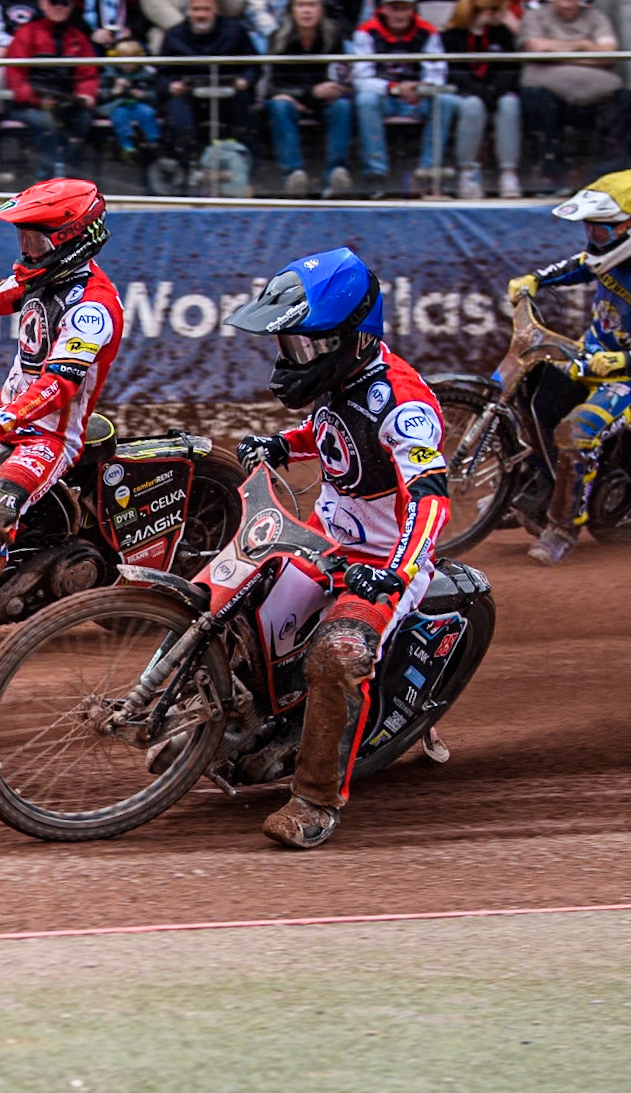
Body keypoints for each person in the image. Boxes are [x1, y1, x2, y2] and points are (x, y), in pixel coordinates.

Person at [225, 247, 451, 850]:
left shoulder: (403, 405)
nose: (290, 360)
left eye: (303, 346)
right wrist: (282, 444)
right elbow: (330, 432)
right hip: (324, 540)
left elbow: (431, 498)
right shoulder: (341, 378)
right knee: (236, 605)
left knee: (337, 653)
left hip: (384, 562)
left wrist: (399, 571)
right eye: (287, 345)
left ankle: (315, 802)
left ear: (351, 338)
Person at [0, 179, 123, 650]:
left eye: (37, 238)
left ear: (72, 238)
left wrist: (0, 422)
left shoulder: (92, 308)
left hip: (47, 438)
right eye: (24, 236)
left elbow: (59, 383)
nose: (27, 248)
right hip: (7, 419)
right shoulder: (41, 279)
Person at [505, 168, 631, 566]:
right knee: (529, 385)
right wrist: (535, 281)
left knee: (576, 432)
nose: (592, 237)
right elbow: (581, 264)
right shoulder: (609, 253)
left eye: (601, 229)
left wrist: (623, 360)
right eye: (588, 228)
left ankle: (562, 530)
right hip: (588, 357)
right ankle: (536, 485)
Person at [517, 0, 631, 187]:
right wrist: (584, 45)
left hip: (600, 96)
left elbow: (609, 53)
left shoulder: (596, 17)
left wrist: (556, 55)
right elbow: (536, 48)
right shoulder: (535, 17)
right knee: (535, 102)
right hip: (548, 94)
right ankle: (552, 179)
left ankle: (607, 176)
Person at [350, 0, 454, 199]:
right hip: (384, 97)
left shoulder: (427, 31)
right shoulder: (366, 31)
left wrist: (419, 88)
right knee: (365, 101)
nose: (399, 15)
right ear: (383, 9)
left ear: (412, 10)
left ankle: (428, 173)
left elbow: (437, 74)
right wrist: (394, 88)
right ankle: (376, 174)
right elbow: (361, 78)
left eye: (405, 9)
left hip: (417, 98)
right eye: (394, 8)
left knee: (445, 101)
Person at [263, 0, 354, 199]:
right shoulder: (277, 38)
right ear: (291, 10)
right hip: (292, 101)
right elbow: (270, 85)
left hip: (323, 102)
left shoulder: (333, 37)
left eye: (312, 5)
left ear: (321, 10)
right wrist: (308, 93)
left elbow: (340, 75)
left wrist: (335, 88)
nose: (306, 11)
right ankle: (293, 176)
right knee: (279, 106)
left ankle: (335, 175)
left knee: (342, 106)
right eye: (301, 5)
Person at [3, 0, 98, 180]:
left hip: (66, 102)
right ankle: (48, 175)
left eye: (65, 2)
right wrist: (37, 100)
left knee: (83, 119)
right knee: (45, 122)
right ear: (42, 4)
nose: (59, 6)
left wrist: (86, 94)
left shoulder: (78, 38)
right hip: (30, 105)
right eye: (53, 2)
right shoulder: (26, 34)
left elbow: (88, 75)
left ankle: (68, 173)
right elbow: (15, 77)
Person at [440, 0, 521, 199]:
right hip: (464, 92)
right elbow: (452, 72)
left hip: (495, 91)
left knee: (510, 104)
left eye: (496, 10)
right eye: (489, 11)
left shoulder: (502, 33)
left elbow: (511, 69)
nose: (494, 15)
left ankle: (508, 173)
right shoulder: (450, 37)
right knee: (473, 106)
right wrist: (477, 91)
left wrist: (492, 91)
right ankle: (467, 173)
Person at [158, 0, 258, 160]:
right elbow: (163, 73)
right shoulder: (174, 35)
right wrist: (171, 85)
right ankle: (185, 160)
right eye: (196, 9)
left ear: (215, 10)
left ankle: (242, 160)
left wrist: (245, 80)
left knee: (245, 107)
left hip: (229, 93)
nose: (201, 15)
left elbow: (252, 65)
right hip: (189, 95)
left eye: (206, 9)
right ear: (189, 11)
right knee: (176, 109)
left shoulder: (235, 31)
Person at [99, 37, 162, 162]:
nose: (127, 64)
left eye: (131, 60)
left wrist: (143, 95)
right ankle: (127, 146)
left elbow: (154, 94)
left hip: (138, 104)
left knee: (148, 112)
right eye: (123, 60)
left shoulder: (146, 74)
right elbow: (101, 94)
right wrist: (114, 91)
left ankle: (153, 141)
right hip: (118, 105)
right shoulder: (109, 74)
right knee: (119, 117)